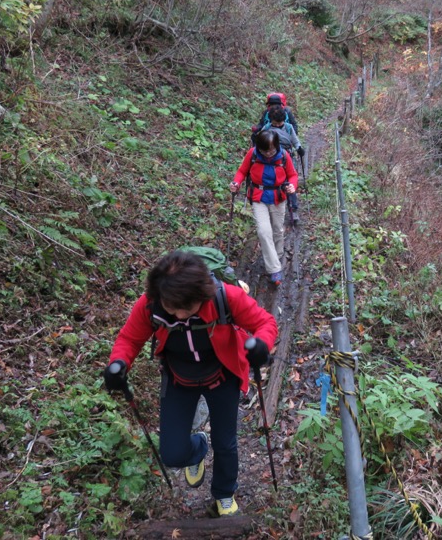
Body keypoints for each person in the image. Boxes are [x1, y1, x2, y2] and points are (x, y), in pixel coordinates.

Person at [103, 250, 277, 517]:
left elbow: (264, 321)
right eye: (174, 308)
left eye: (189, 307)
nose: (181, 315)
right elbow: (129, 339)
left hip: (223, 374)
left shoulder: (225, 296)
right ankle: (198, 448)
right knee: (172, 453)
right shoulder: (150, 305)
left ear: (202, 295)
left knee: (226, 442)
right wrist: (119, 363)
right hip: (178, 378)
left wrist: (261, 345)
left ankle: (224, 492)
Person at [230, 129, 298, 286]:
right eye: (264, 150)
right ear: (258, 147)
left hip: (278, 197)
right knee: (263, 231)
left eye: (272, 150)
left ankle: (277, 253)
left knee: (277, 230)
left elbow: (293, 175)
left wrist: (292, 187)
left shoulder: (284, 156)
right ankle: (275, 269)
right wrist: (236, 183)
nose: (268, 154)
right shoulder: (253, 154)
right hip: (258, 196)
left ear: (276, 145)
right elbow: (242, 171)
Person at [267, 107, 303, 220]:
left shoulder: (288, 127)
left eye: (279, 123)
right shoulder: (267, 128)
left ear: (284, 120)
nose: (277, 125)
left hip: (286, 158)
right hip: (270, 158)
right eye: (275, 123)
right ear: (271, 120)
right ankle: (272, 207)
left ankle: (293, 208)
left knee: (289, 182)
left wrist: (299, 148)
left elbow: (294, 140)